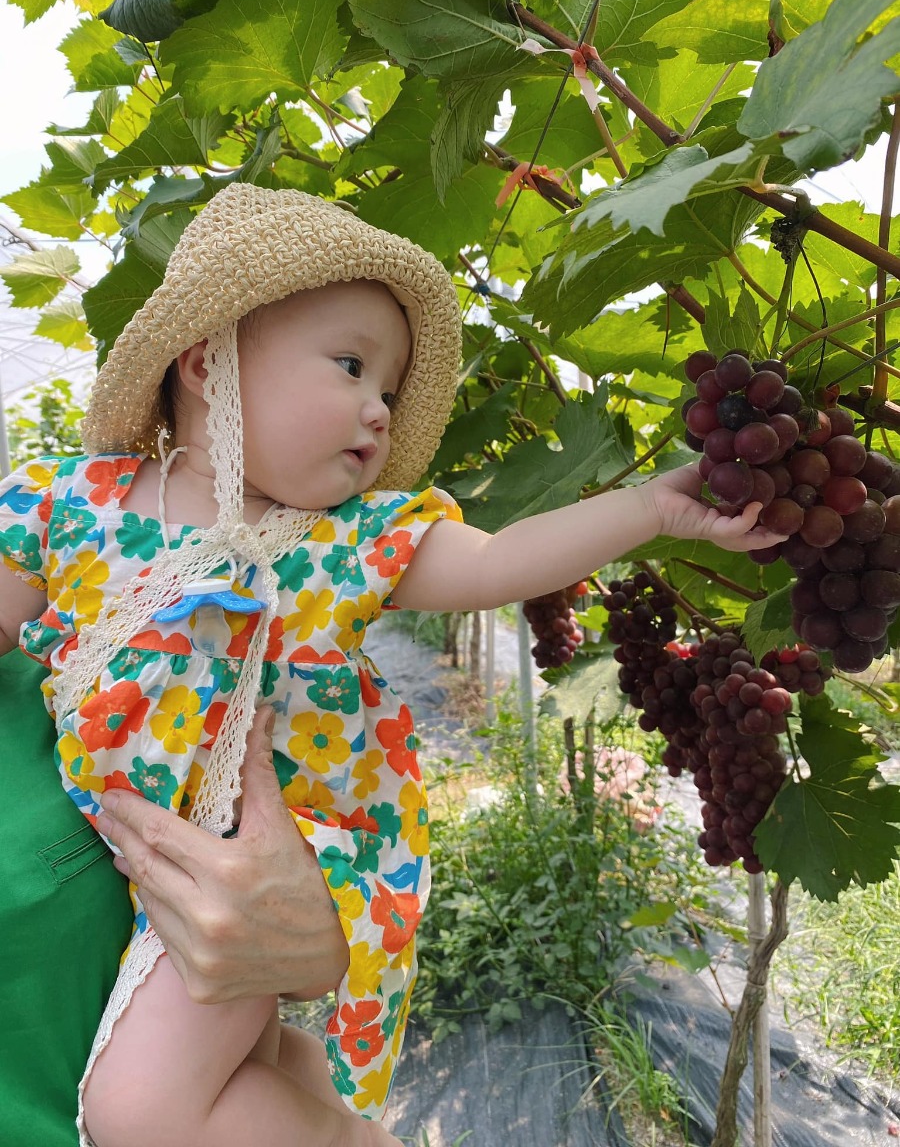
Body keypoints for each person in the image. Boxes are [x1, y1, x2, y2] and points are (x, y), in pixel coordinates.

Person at [0, 184, 784, 1147]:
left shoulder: (341, 542)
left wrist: (652, 511)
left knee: (139, 1113)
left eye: (389, 388)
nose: (378, 409)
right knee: (245, 1074)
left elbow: (497, 563)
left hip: (256, 867)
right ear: (208, 362)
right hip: (154, 868)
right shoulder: (72, 504)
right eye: (351, 366)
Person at [0, 662, 349, 1147]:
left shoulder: (70, 640)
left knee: (137, 1110)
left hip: (221, 1096)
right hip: (224, 1095)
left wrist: (326, 939)